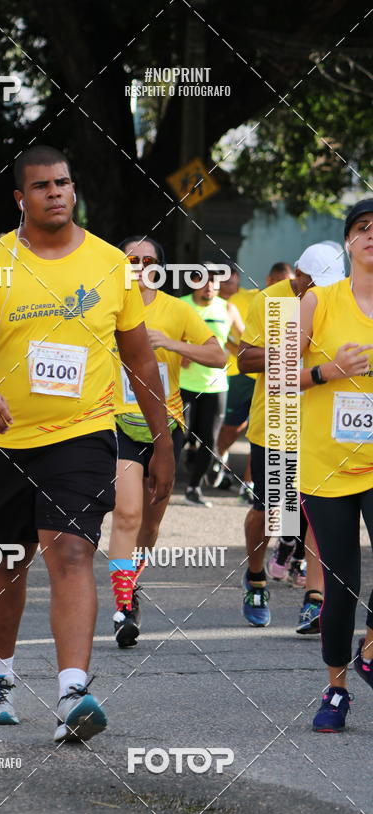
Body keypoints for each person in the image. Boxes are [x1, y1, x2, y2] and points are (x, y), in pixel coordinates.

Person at [0, 145, 174, 742]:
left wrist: (163, 441)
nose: (56, 193)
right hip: (5, 438)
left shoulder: (108, 264)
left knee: (72, 552)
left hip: (83, 433)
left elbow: (141, 357)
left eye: (64, 183)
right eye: (43, 186)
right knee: (7, 558)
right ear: (21, 198)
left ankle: (73, 692)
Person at [108, 236, 226, 647]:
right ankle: (123, 604)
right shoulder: (104, 304)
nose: (140, 265)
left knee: (151, 522)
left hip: (166, 427)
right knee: (126, 512)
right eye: (131, 259)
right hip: (117, 422)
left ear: (159, 266)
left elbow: (219, 356)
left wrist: (168, 342)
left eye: (149, 260)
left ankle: (133, 583)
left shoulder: (176, 309)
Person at [297, 202, 373, 731]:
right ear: (347, 243)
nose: (371, 237)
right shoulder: (317, 300)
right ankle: (336, 688)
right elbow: (278, 376)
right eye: (362, 229)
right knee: (341, 580)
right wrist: (329, 369)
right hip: (327, 464)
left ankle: (371, 643)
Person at [237, 243, 339, 629]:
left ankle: (315, 599)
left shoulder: (339, 299)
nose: (316, 291)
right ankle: (256, 577)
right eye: (310, 282)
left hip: (322, 420)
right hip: (278, 420)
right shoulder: (270, 300)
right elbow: (244, 360)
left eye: (325, 284)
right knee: (273, 511)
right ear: (296, 272)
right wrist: (292, 348)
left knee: (319, 511)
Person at [179, 268, 243, 507]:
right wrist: (181, 347)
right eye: (204, 282)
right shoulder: (181, 306)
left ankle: (194, 488)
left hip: (215, 384)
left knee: (210, 439)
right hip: (182, 382)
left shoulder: (227, 309)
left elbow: (243, 338)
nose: (209, 287)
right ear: (193, 282)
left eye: (214, 283)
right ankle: (159, 481)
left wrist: (242, 351)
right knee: (179, 436)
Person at [210, 266, 258, 502]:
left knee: (255, 428)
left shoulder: (253, 297)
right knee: (230, 427)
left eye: (231, 279)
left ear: (238, 277)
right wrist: (231, 347)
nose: (227, 284)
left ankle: (248, 484)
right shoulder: (211, 302)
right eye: (222, 281)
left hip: (253, 373)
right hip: (224, 374)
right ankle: (220, 460)